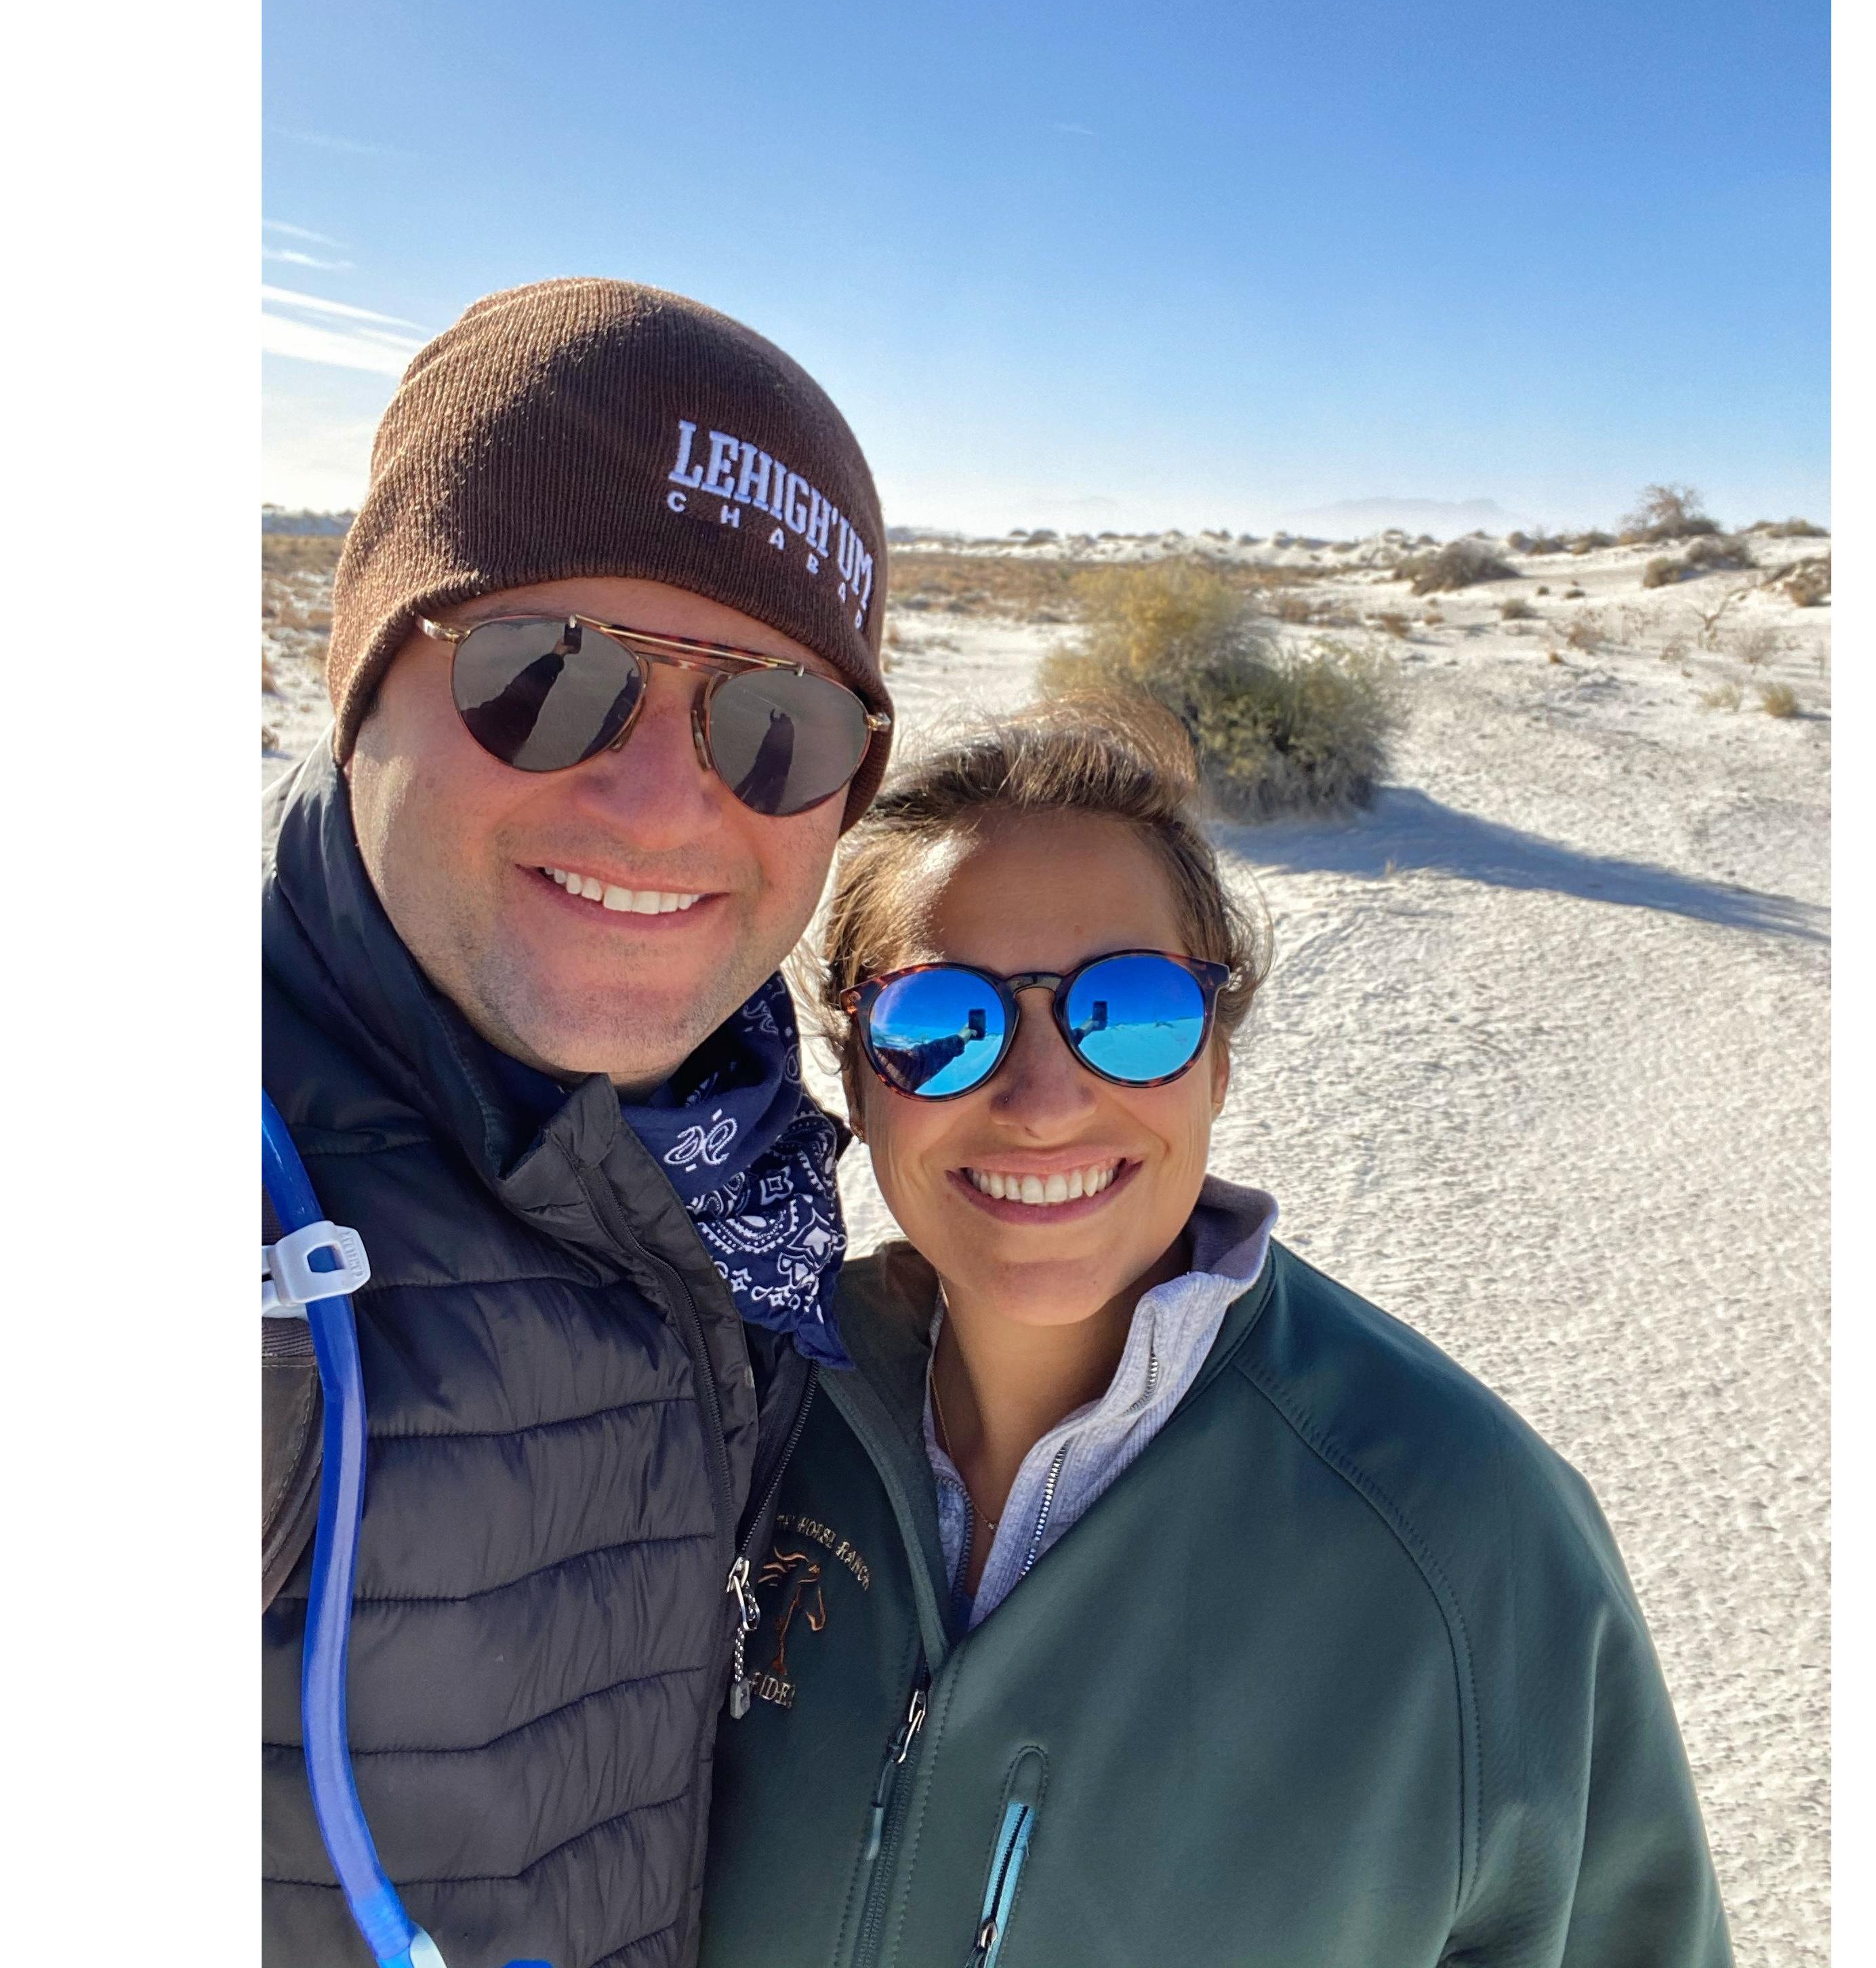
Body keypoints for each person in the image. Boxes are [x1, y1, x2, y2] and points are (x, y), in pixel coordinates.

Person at [697, 702, 1733, 1967]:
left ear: (1219, 1064)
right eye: (940, 1023)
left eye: (1129, 1012)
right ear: (860, 1079)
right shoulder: (754, 1412)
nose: (1042, 1101)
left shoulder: (1470, 1541)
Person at [262, 277, 895, 1965]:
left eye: (777, 723)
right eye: (547, 677)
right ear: (361, 682)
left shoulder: (740, 1148)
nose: (662, 800)